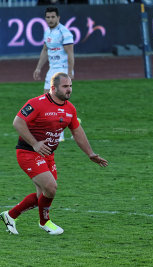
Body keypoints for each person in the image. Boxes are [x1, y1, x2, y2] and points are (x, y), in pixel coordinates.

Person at [0, 72, 108, 235]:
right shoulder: (37, 103)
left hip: (48, 155)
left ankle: (10, 215)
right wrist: (35, 143)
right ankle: (45, 222)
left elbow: (77, 131)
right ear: (53, 88)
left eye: (70, 86)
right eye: (65, 87)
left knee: (42, 196)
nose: (69, 90)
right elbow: (18, 122)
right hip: (28, 152)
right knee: (51, 188)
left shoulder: (70, 108)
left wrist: (90, 153)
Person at [33, 6, 75, 142]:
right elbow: (45, 50)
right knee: (47, 99)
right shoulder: (47, 32)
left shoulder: (65, 33)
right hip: (51, 70)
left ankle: (59, 133)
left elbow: (70, 54)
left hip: (62, 69)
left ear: (58, 18)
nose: (50, 19)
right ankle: (55, 129)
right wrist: (38, 68)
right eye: (48, 17)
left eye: (53, 17)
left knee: (57, 100)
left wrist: (69, 73)